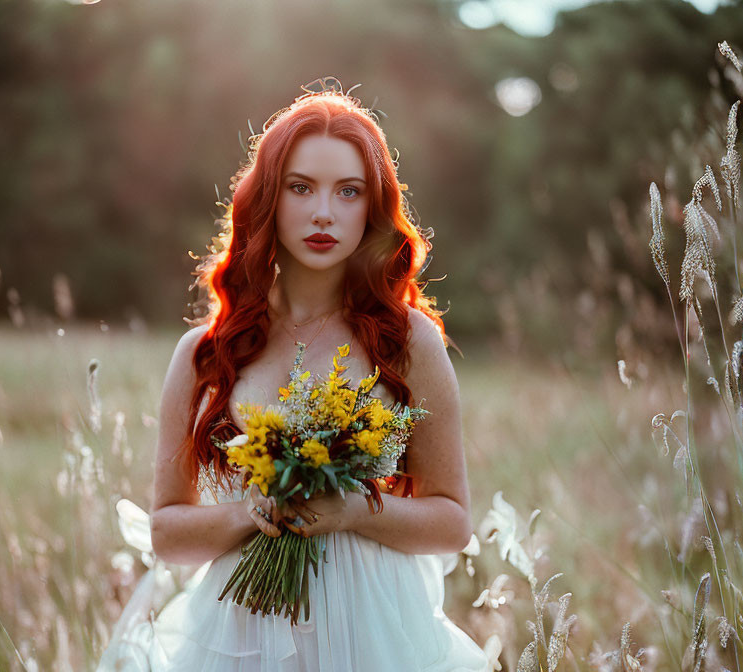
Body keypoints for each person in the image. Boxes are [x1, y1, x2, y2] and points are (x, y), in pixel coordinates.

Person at [96, 78, 490, 672]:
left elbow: (453, 522)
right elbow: (166, 531)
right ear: (269, 200)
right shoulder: (205, 353)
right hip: (240, 633)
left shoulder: (410, 341)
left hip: (376, 634)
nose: (323, 212)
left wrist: (353, 510)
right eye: (300, 187)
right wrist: (245, 512)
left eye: (349, 191)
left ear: (374, 207)